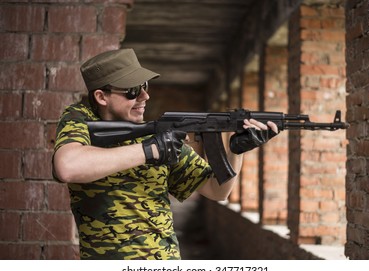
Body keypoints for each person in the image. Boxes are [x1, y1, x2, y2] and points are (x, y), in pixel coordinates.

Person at [52, 48, 278, 260]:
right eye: (132, 91)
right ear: (102, 97)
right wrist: (149, 150)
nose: (144, 97)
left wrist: (235, 152)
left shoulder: (159, 136)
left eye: (145, 86)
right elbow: (67, 167)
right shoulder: (80, 119)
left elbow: (217, 190)